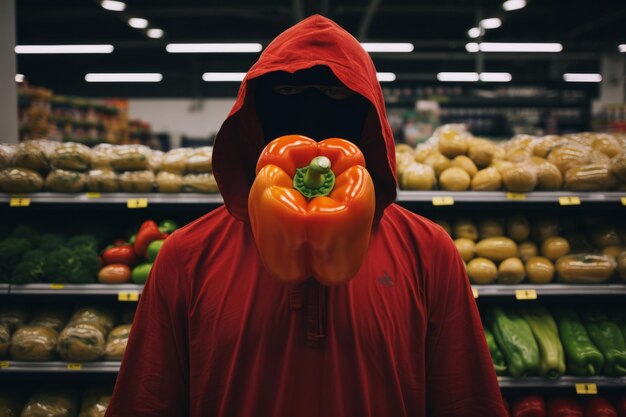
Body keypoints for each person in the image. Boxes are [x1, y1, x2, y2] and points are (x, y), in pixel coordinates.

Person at [105, 15, 507, 417]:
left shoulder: (428, 252)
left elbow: (466, 400)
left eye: (336, 95)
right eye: (287, 90)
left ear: (370, 117)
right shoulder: (187, 256)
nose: (312, 112)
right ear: (254, 115)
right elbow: (146, 403)